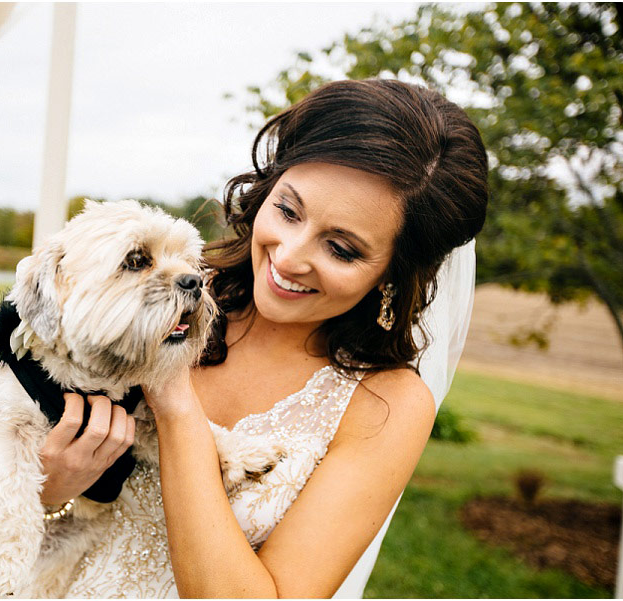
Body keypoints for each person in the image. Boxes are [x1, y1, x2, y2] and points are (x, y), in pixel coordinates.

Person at [37, 78, 489, 598]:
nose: (289, 255)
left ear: (393, 272)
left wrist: (176, 403)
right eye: (289, 211)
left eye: (341, 248)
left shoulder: (385, 406)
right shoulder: (157, 290)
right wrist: (51, 492)